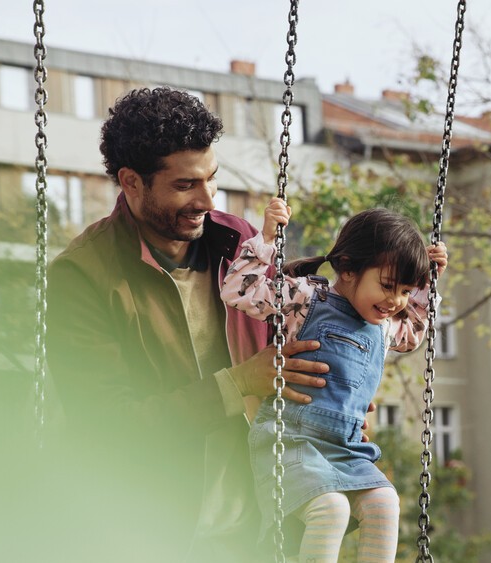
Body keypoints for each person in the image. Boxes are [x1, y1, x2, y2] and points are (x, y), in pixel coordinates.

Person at [44, 87, 333, 562]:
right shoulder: (83, 274)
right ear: (131, 182)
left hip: (255, 532)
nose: (206, 199)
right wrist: (237, 383)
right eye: (185, 185)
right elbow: (105, 425)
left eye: (211, 179)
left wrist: (334, 390)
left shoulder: (238, 244)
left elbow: (285, 342)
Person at [220, 198, 448, 562]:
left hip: (347, 448)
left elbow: (413, 335)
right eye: (388, 285)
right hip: (291, 440)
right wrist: (266, 239)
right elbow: (238, 290)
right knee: (332, 509)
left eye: (405, 291)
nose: (395, 301)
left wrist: (428, 284)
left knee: (385, 503)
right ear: (348, 268)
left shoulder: (386, 326)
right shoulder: (306, 298)